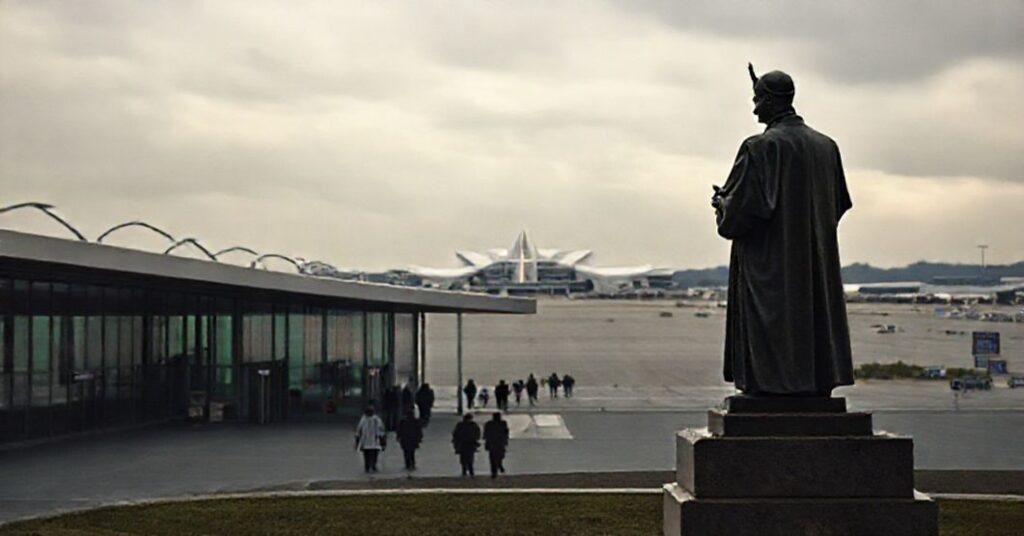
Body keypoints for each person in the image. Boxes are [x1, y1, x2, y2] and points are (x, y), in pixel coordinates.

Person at [712, 64, 854, 396]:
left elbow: (737, 217)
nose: (754, 107)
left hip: (768, 268)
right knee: (814, 323)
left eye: (758, 99)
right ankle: (815, 384)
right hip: (815, 262)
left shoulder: (759, 148)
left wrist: (722, 203)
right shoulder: (827, 147)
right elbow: (838, 206)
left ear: (774, 100)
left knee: (770, 329)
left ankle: (769, 387)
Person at [354, 407, 386, 473]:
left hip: (373, 442)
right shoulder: (366, 420)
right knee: (369, 456)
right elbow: (359, 432)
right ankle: (369, 467)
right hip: (369, 443)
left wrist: (357, 443)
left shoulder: (375, 420)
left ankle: (371, 466)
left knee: (370, 456)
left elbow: (381, 431)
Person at [451, 413, 481, 477]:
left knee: (463, 458)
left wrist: (456, 442)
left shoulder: (460, 425)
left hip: (463, 444)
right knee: (470, 457)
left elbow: (455, 434)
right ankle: (470, 471)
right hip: (470, 444)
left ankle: (465, 470)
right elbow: (477, 433)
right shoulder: (473, 425)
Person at [483, 412, 510, 478]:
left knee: (492, 457)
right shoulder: (503, 423)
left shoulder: (489, 424)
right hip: (500, 442)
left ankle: (494, 471)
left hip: (492, 443)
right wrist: (505, 440)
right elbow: (506, 432)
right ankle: (499, 464)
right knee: (500, 455)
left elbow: (486, 433)